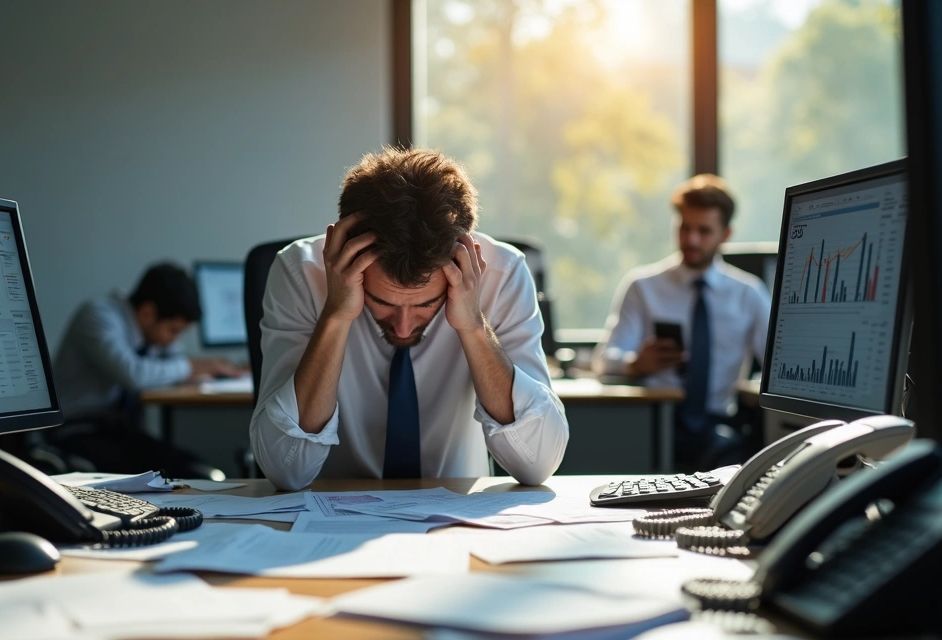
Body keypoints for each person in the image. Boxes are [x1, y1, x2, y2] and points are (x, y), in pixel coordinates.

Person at [250, 148, 569, 491]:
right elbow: (286, 469)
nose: (403, 327)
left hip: (456, 520)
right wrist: (336, 315)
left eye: (425, 304)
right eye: (381, 302)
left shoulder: (502, 274)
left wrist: (474, 326)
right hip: (332, 518)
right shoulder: (301, 274)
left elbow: (537, 462)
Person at [593, 174, 771, 467]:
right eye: (685, 228)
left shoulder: (749, 294)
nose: (691, 240)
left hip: (718, 427)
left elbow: (777, 370)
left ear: (726, 234)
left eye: (704, 231)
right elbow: (604, 360)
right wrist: (636, 364)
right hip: (656, 420)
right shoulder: (642, 286)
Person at [46, 263, 243, 478]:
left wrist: (201, 369)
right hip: (78, 431)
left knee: (195, 468)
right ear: (148, 313)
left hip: (118, 431)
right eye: (173, 331)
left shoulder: (148, 326)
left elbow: (174, 358)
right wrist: (189, 367)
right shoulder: (98, 316)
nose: (173, 340)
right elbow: (134, 373)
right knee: (177, 474)